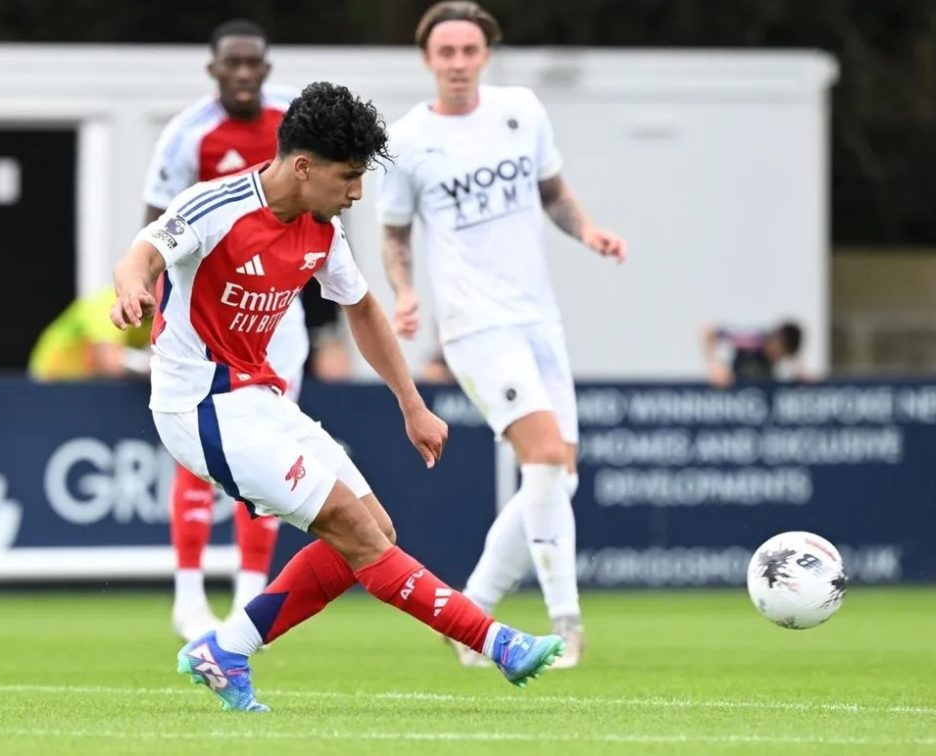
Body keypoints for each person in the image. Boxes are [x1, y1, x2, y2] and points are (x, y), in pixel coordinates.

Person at [111, 81, 564, 712]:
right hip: (200, 408)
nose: (356, 192)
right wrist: (132, 289)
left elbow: (362, 308)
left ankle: (225, 649)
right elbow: (142, 255)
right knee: (357, 532)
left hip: (260, 398)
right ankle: (496, 642)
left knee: (374, 529)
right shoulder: (215, 207)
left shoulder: (320, 228)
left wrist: (412, 404)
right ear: (303, 166)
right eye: (348, 177)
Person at [376, 1, 626, 669]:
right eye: (445, 52)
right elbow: (395, 234)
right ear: (427, 59)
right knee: (543, 459)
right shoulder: (406, 140)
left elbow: (554, 194)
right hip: (473, 323)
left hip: (538, 317)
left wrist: (590, 231)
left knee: (559, 479)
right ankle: (566, 625)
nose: (457, 63)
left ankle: (469, 616)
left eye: (468, 51)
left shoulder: (522, 111)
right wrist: (405, 293)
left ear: (486, 54)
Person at [142, 19, 310, 640]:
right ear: (213, 70)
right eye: (231, 65)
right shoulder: (188, 133)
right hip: (209, 315)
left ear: (266, 68)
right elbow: (154, 223)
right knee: (199, 445)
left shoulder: (295, 119)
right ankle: (188, 597)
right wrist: (150, 296)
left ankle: (248, 593)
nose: (243, 75)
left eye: (253, 64)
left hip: (278, 315)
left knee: (268, 447)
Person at [29, 286, 151, 381]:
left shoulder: (159, 314)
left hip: (89, 383)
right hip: (52, 376)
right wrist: (153, 365)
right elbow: (110, 360)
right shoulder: (108, 303)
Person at [701, 320, 805, 388]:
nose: (777, 358)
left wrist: (801, 374)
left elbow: (796, 364)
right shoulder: (754, 339)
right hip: (737, 389)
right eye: (779, 352)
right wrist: (715, 366)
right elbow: (708, 332)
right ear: (776, 340)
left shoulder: (784, 354)